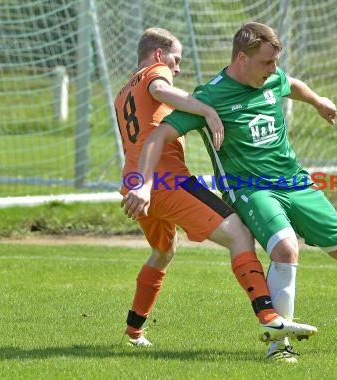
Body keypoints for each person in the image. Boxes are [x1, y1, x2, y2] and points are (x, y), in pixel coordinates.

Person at [123, 22, 337, 363]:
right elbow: (158, 136)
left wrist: (318, 101)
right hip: (249, 189)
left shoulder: (273, 78)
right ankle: (279, 345)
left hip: (295, 182)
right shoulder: (210, 97)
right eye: (266, 63)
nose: (274, 70)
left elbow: (291, 85)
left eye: (275, 62)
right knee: (285, 247)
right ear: (241, 58)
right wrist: (145, 183)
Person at [115, 27, 317, 349]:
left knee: (163, 252)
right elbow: (161, 90)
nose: (177, 68)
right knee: (238, 233)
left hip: (133, 180)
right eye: (175, 59)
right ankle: (269, 317)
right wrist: (206, 109)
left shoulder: (123, 91)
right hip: (163, 181)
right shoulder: (155, 73)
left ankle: (134, 332)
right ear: (157, 55)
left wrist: (139, 185)